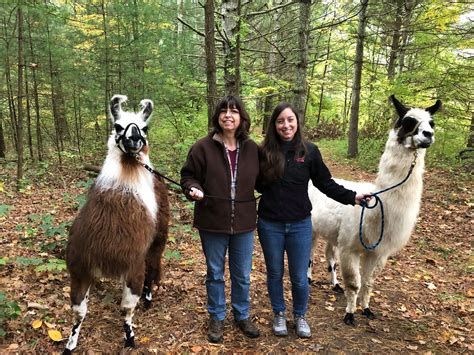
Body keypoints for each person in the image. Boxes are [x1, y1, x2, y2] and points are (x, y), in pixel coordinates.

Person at [257, 102, 370, 338]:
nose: (285, 125)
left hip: (299, 224)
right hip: (270, 224)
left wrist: (353, 197)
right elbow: (251, 182)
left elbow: (325, 184)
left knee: (299, 276)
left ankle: (300, 316)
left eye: (290, 120)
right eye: (280, 121)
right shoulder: (263, 152)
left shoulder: (309, 151)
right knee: (275, 273)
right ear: (274, 125)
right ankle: (279, 314)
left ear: (297, 123)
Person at [180, 96, 260, 343]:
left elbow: (267, 180)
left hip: (245, 223)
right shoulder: (202, 147)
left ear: (241, 118)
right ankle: (217, 316)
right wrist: (192, 188)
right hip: (212, 221)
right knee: (215, 273)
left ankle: (242, 315)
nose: (228, 115)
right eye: (223, 111)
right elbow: (188, 176)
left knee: (242, 274)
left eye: (234, 111)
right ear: (217, 117)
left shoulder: (252, 149)